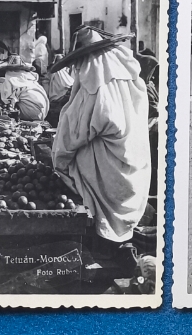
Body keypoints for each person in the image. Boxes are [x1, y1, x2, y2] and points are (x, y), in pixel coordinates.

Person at [51, 28, 150, 274]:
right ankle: (118, 242)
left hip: (106, 172)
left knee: (73, 167)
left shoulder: (96, 87)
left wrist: (60, 158)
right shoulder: (131, 79)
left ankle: (104, 248)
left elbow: (73, 133)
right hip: (132, 167)